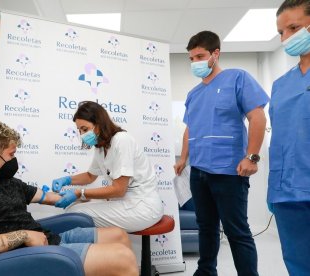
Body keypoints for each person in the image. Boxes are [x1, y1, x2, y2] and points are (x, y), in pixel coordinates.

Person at [0, 119, 138, 276]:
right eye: (11, 154)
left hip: (50, 240)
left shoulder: (10, 182)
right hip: (28, 256)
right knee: (123, 258)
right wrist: (23, 236)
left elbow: (50, 198)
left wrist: (77, 195)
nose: (14, 160)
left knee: (118, 236)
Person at [173, 31, 269, 276]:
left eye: (200, 56)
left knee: (237, 230)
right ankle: (206, 272)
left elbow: (257, 116)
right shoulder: (193, 94)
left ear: (215, 54)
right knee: (205, 227)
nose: (195, 62)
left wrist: (252, 157)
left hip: (228, 171)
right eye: (192, 58)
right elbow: (189, 129)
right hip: (199, 172)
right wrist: (184, 159)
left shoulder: (237, 78)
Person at [52, 101, 163, 233]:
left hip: (143, 206)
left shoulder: (122, 140)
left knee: (76, 214)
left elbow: (119, 189)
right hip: (127, 202)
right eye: (80, 130)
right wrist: (66, 180)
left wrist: (78, 193)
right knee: (74, 207)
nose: (82, 135)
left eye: (85, 129)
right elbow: (90, 176)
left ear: (99, 125)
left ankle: (95, 252)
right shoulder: (101, 146)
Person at [268, 1, 310, 274]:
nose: (287, 38)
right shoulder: (281, 84)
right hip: (287, 189)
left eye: (293, 27)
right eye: (282, 32)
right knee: (297, 262)